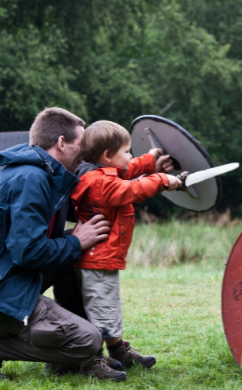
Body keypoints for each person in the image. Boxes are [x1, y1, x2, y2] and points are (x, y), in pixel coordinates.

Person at [0, 108, 173, 381]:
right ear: (62, 143)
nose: (87, 149)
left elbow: (103, 185)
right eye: (82, 142)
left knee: (74, 254)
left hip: (6, 281)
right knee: (87, 339)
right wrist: (76, 240)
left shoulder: (51, 175)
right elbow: (27, 252)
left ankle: (69, 361)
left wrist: (150, 169)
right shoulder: (29, 179)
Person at [69, 121, 182, 377]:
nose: (129, 157)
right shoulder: (99, 182)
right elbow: (131, 188)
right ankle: (92, 362)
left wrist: (149, 161)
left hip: (101, 259)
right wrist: (163, 179)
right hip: (98, 261)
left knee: (106, 309)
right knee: (101, 312)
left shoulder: (101, 172)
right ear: (108, 156)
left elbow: (127, 170)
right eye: (126, 151)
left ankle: (119, 352)